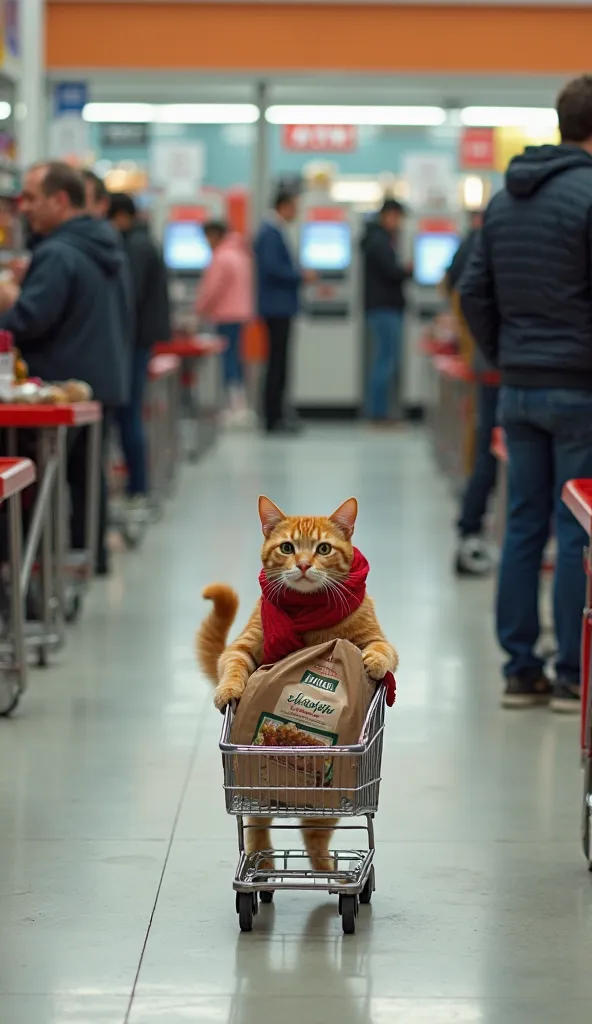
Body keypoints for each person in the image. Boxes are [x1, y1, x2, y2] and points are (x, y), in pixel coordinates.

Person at [459, 74, 592, 713]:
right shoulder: (590, 194)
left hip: (517, 387)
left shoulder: (504, 199)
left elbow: (471, 290)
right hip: (580, 391)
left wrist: (506, 352)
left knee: (521, 527)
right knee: (577, 532)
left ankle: (520, 670)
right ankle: (572, 671)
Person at [0, 161, 131, 574]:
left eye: (33, 198)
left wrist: (9, 302)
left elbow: (31, 319)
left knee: (41, 490)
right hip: (98, 377)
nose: (24, 208)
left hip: (61, 380)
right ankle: (88, 558)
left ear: (60, 200)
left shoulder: (57, 251)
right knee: (86, 480)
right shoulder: (103, 244)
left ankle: (33, 580)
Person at [444, 211, 500, 576]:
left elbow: (462, 294)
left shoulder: (484, 240)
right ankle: (471, 527)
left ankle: (470, 527)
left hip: (494, 363)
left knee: (487, 448)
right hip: (510, 368)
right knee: (491, 450)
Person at [108, 192, 170, 508]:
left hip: (133, 344)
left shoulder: (134, 247)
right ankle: (137, 486)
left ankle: (137, 488)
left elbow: (128, 300)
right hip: (141, 341)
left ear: (120, 215)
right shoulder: (143, 243)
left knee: (129, 415)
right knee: (131, 415)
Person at [254, 190, 314, 434]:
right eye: (294, 207)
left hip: (279, 306)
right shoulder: (270, 232)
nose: (296, 213)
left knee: (280, 362)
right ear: (284, 206)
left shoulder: (273, 231)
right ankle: (273, 417)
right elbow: (272, 268)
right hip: (276, 307)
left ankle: (278, 414)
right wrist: (300, 275)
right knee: (277, 363)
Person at [197, 220, 254, 427]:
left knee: (228, 360)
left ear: (214, 235)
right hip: (240, 314)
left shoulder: (221, 256)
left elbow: (212, 288)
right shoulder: (240, 253)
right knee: (236, 358)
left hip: (225, 314)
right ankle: (240, 405)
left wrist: (199, 309)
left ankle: (233, 407)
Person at [361, 199, 410, 423]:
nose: (399, 223)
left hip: (380, 308)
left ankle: (379, 411)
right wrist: (406, 270)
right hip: (385, 309)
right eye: (397, 217)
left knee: (383, 360)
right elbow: (391, 272)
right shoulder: (380, 241)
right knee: (385, 361)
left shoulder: (375, 239)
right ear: (388, 215)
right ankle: (378, 413)